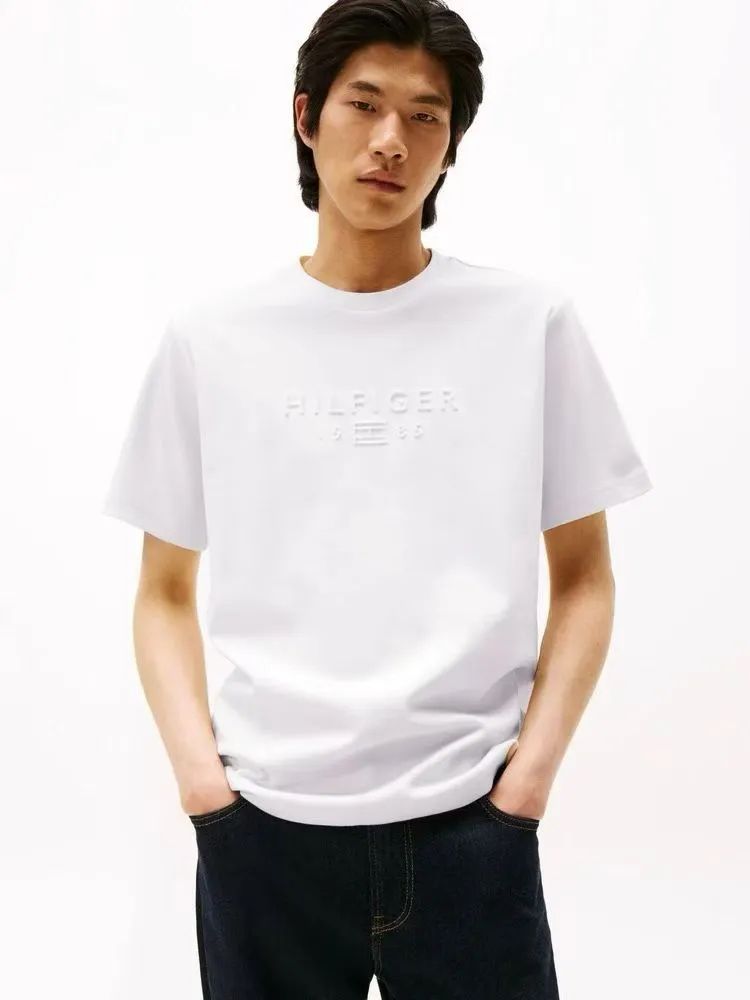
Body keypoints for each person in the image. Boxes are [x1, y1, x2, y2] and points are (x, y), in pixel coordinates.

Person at [101, 1, 653, 997]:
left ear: (452, 144)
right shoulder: (211, 339)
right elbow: (163, 591)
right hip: (264, 832)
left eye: (426, 116)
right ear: (306, 116)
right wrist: (204, 789)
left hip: (471, 828)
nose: (392, 140)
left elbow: (584, 579)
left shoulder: (528, 325)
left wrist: (524, 788)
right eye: (364, 105)